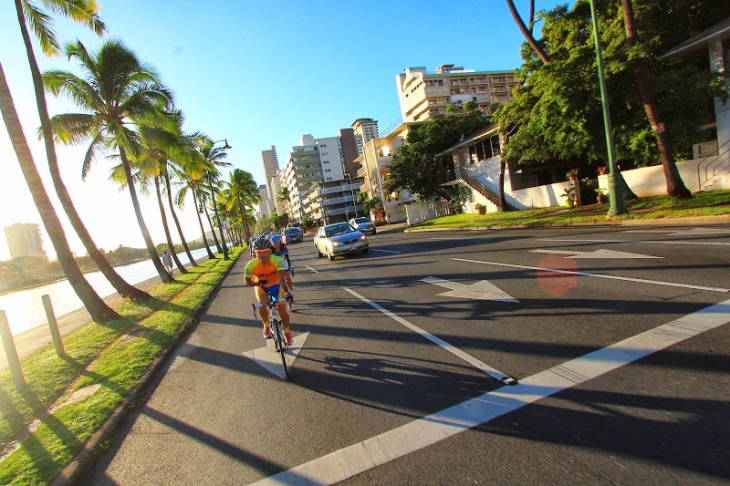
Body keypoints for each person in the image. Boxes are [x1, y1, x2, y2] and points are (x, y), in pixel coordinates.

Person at [244, 236, 294, 345]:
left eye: (265, 251)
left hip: (277, 285)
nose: (262, 254)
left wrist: (287, 293)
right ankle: (266, 326)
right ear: (254, 252)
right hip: (261, 287)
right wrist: (257, 283)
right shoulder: (250, 266)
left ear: (270, 251)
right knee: (262, 303)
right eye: (259, 252)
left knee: (282, 310)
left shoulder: (278, 260)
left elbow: (281, 278)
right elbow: (247, 281)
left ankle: (287, 333)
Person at [269, 234, 294, 299]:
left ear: (280, 242)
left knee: (287, 276)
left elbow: (287, 258)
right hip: (275, 263)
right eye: (274, 244)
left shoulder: (283, 247)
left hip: (283, 261)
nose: (276, 245)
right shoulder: (271, 249)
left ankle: (291, 292)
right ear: (272, 244)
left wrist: (289, 266)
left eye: (277, 243)